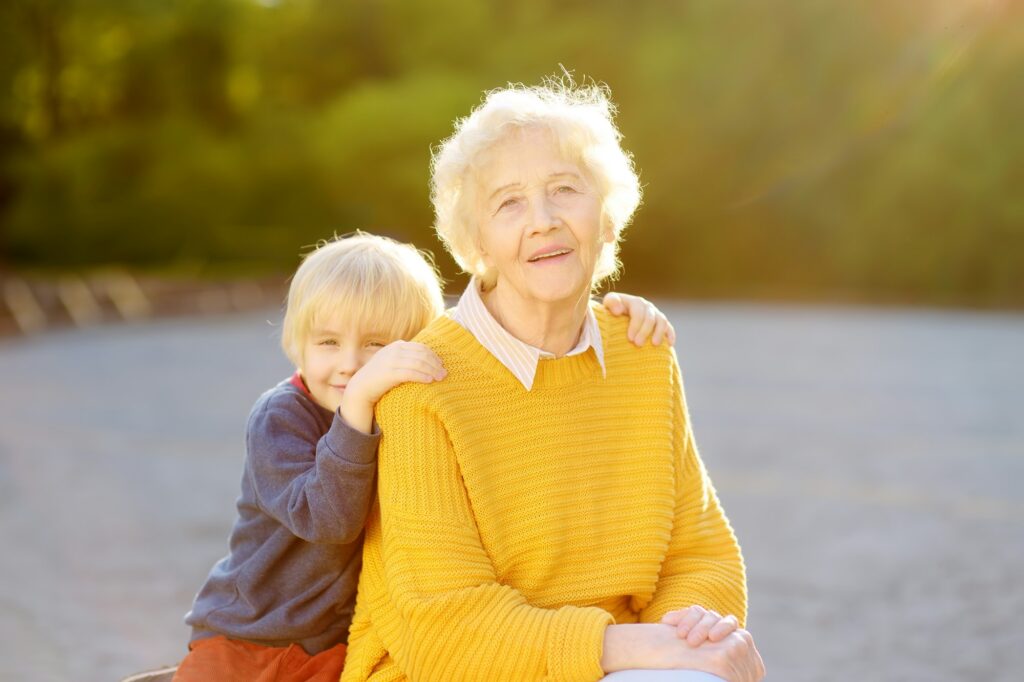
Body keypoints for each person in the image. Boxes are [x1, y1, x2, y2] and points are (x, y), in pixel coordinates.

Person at [340, 80, 766, 682]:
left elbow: (699, 553)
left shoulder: (642, 351)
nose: (542, 222)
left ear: (606, 216)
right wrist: (639, 649)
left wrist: (681, 641)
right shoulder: (421, 383)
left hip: (619, 663)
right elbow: (446, 629)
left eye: (565, 190)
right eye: (508, 203)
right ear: (477, 241)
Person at [172, 232, 676, 682]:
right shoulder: (281, 417)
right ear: (296, 343)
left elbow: (489, 344)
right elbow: (325, 519)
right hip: (246, 636)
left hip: (331, 647)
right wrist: (357, 408)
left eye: (376, 344)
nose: (349, 365)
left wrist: (609, 316)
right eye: (328, 342)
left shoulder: (405, 406)